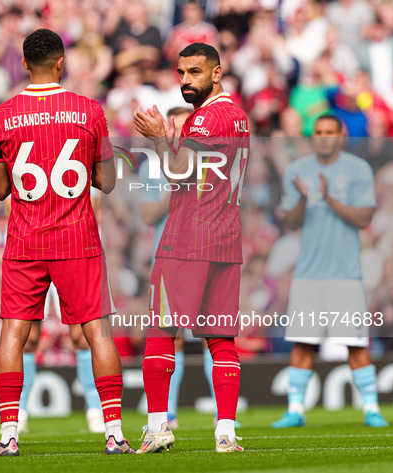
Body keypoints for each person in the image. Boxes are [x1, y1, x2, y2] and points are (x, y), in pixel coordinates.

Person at [0, 28, 133, 456]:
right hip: (78, 238)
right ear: (61, 63)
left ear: (25, 65)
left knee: (13, 333)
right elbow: (106, 181)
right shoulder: (89, 110)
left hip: (25, 239)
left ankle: (9, 435)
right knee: (97, 332)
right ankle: (114, 432)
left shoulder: (2, 115)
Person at [134, 42, 250, 453]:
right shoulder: (238, 116)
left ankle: (157, 427)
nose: (185, 81)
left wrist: (158, 139)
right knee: (221, 340)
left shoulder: (203, 120)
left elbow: (178, 175)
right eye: (181, 72)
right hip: (226, 239)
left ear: (217, 73)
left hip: (187, 238)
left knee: (161, 332)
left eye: (195, 73)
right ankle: (226, 434)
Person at [272, 115, 389, 429]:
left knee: (355, 344)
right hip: (308, 274)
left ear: (341, 135)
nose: (323, 138)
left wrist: (328, 198)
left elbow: (364, 218)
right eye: (318, 133)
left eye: (329, 132)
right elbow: (293, 222)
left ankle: (371, 409)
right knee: (302, 342)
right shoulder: (297, 170)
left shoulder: (357, 169)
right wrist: (300, 198)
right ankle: (295, 410)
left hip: (346, 274)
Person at [19, 284, 105, 434]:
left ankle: (94, 411)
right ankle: (19, 414)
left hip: (67, 263)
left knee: (82, 339)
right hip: (36, 263)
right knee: (28, 341)